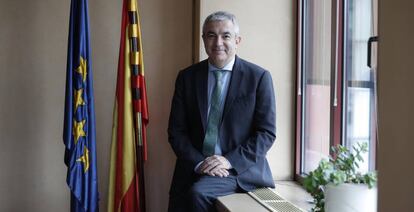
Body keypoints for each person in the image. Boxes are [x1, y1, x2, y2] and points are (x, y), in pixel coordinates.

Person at [167, 11, 276, 212]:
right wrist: (200, 163)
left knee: (198, 194)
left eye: (225, 36)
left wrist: (228, 161)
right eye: (211, 35)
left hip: (239, 170)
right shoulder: (187, 77)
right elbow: (176, 132)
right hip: (195, 165)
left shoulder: (258, 78)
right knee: (180, 199)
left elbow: (266, 133)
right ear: (203, 40)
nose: (218, 43)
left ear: (237, 40)